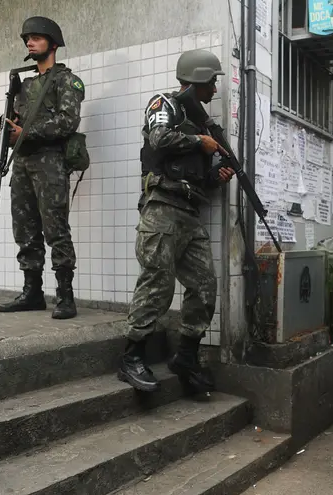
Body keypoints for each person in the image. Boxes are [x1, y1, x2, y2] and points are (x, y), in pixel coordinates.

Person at [117, 49, 235, 394]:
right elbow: (159, 139)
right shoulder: (164, 104)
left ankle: (186, 355)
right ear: (196, 79)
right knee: (158, 284)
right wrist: (201, 142)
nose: (215, 89)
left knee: (204, 287)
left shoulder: (203, 124)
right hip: (162, 208)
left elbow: (196, 177)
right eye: (211, 81)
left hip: (189, 214)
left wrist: (216, 176)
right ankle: (131, 355)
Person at [0, 16, 84, 320]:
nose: (29, 43)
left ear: (53, 43)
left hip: (50, 163)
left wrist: (27, 132)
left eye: (35, 38)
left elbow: (68, 121)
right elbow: (15, 120)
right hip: (22, 163)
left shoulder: (65, 80)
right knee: (25, 229)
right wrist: (8, 127)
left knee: (55, 229)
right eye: (26, 39)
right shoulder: (25, 83)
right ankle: (32, 292)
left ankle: (65, 296)